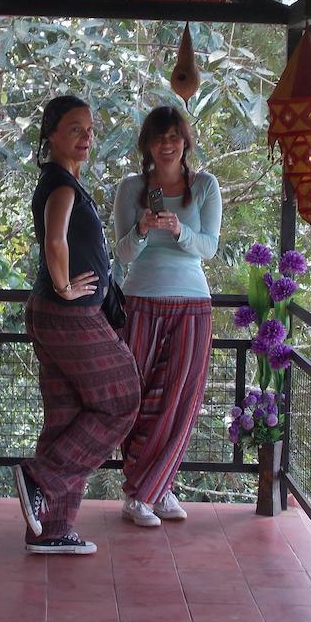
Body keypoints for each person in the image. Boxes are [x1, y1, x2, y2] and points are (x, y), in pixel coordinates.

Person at [14, 95, 141, 554]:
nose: (86, 136)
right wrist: (65, 284)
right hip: (68, 314)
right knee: (123, 398)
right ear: (51, 135)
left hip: (56, 315)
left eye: (89, 128)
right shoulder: (62, 186)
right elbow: (54, 240)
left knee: (66, 416)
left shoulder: (64, 181)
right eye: (74, 129)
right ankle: (38, 478)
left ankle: (51, 529)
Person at [112, 106, 222, 527]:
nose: (167, 144)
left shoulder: (206, 186)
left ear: (186, 141)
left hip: (192, 303)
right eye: (159, 137)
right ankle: (142, 490)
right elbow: (121, 254)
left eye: (175, 136)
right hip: (139, 300)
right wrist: (141, 231)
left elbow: (209, 247)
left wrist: (180, 230)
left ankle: (155, 490)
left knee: (180, 398)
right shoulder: (131, 188)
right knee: (135, 396)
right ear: (147, 145)